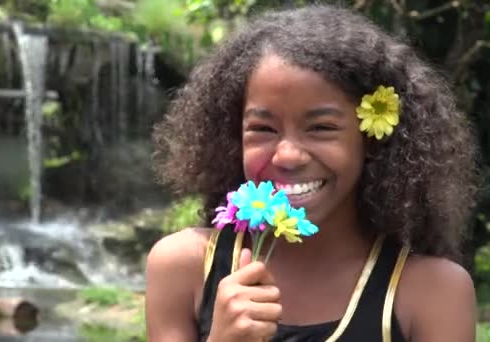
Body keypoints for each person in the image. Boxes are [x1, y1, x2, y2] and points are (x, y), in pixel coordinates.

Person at [146, 4, 479, 342]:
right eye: (263, 128)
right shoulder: (182, 267)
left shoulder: (432, 293)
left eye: (321, 128)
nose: (288, 155)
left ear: (373, 141)